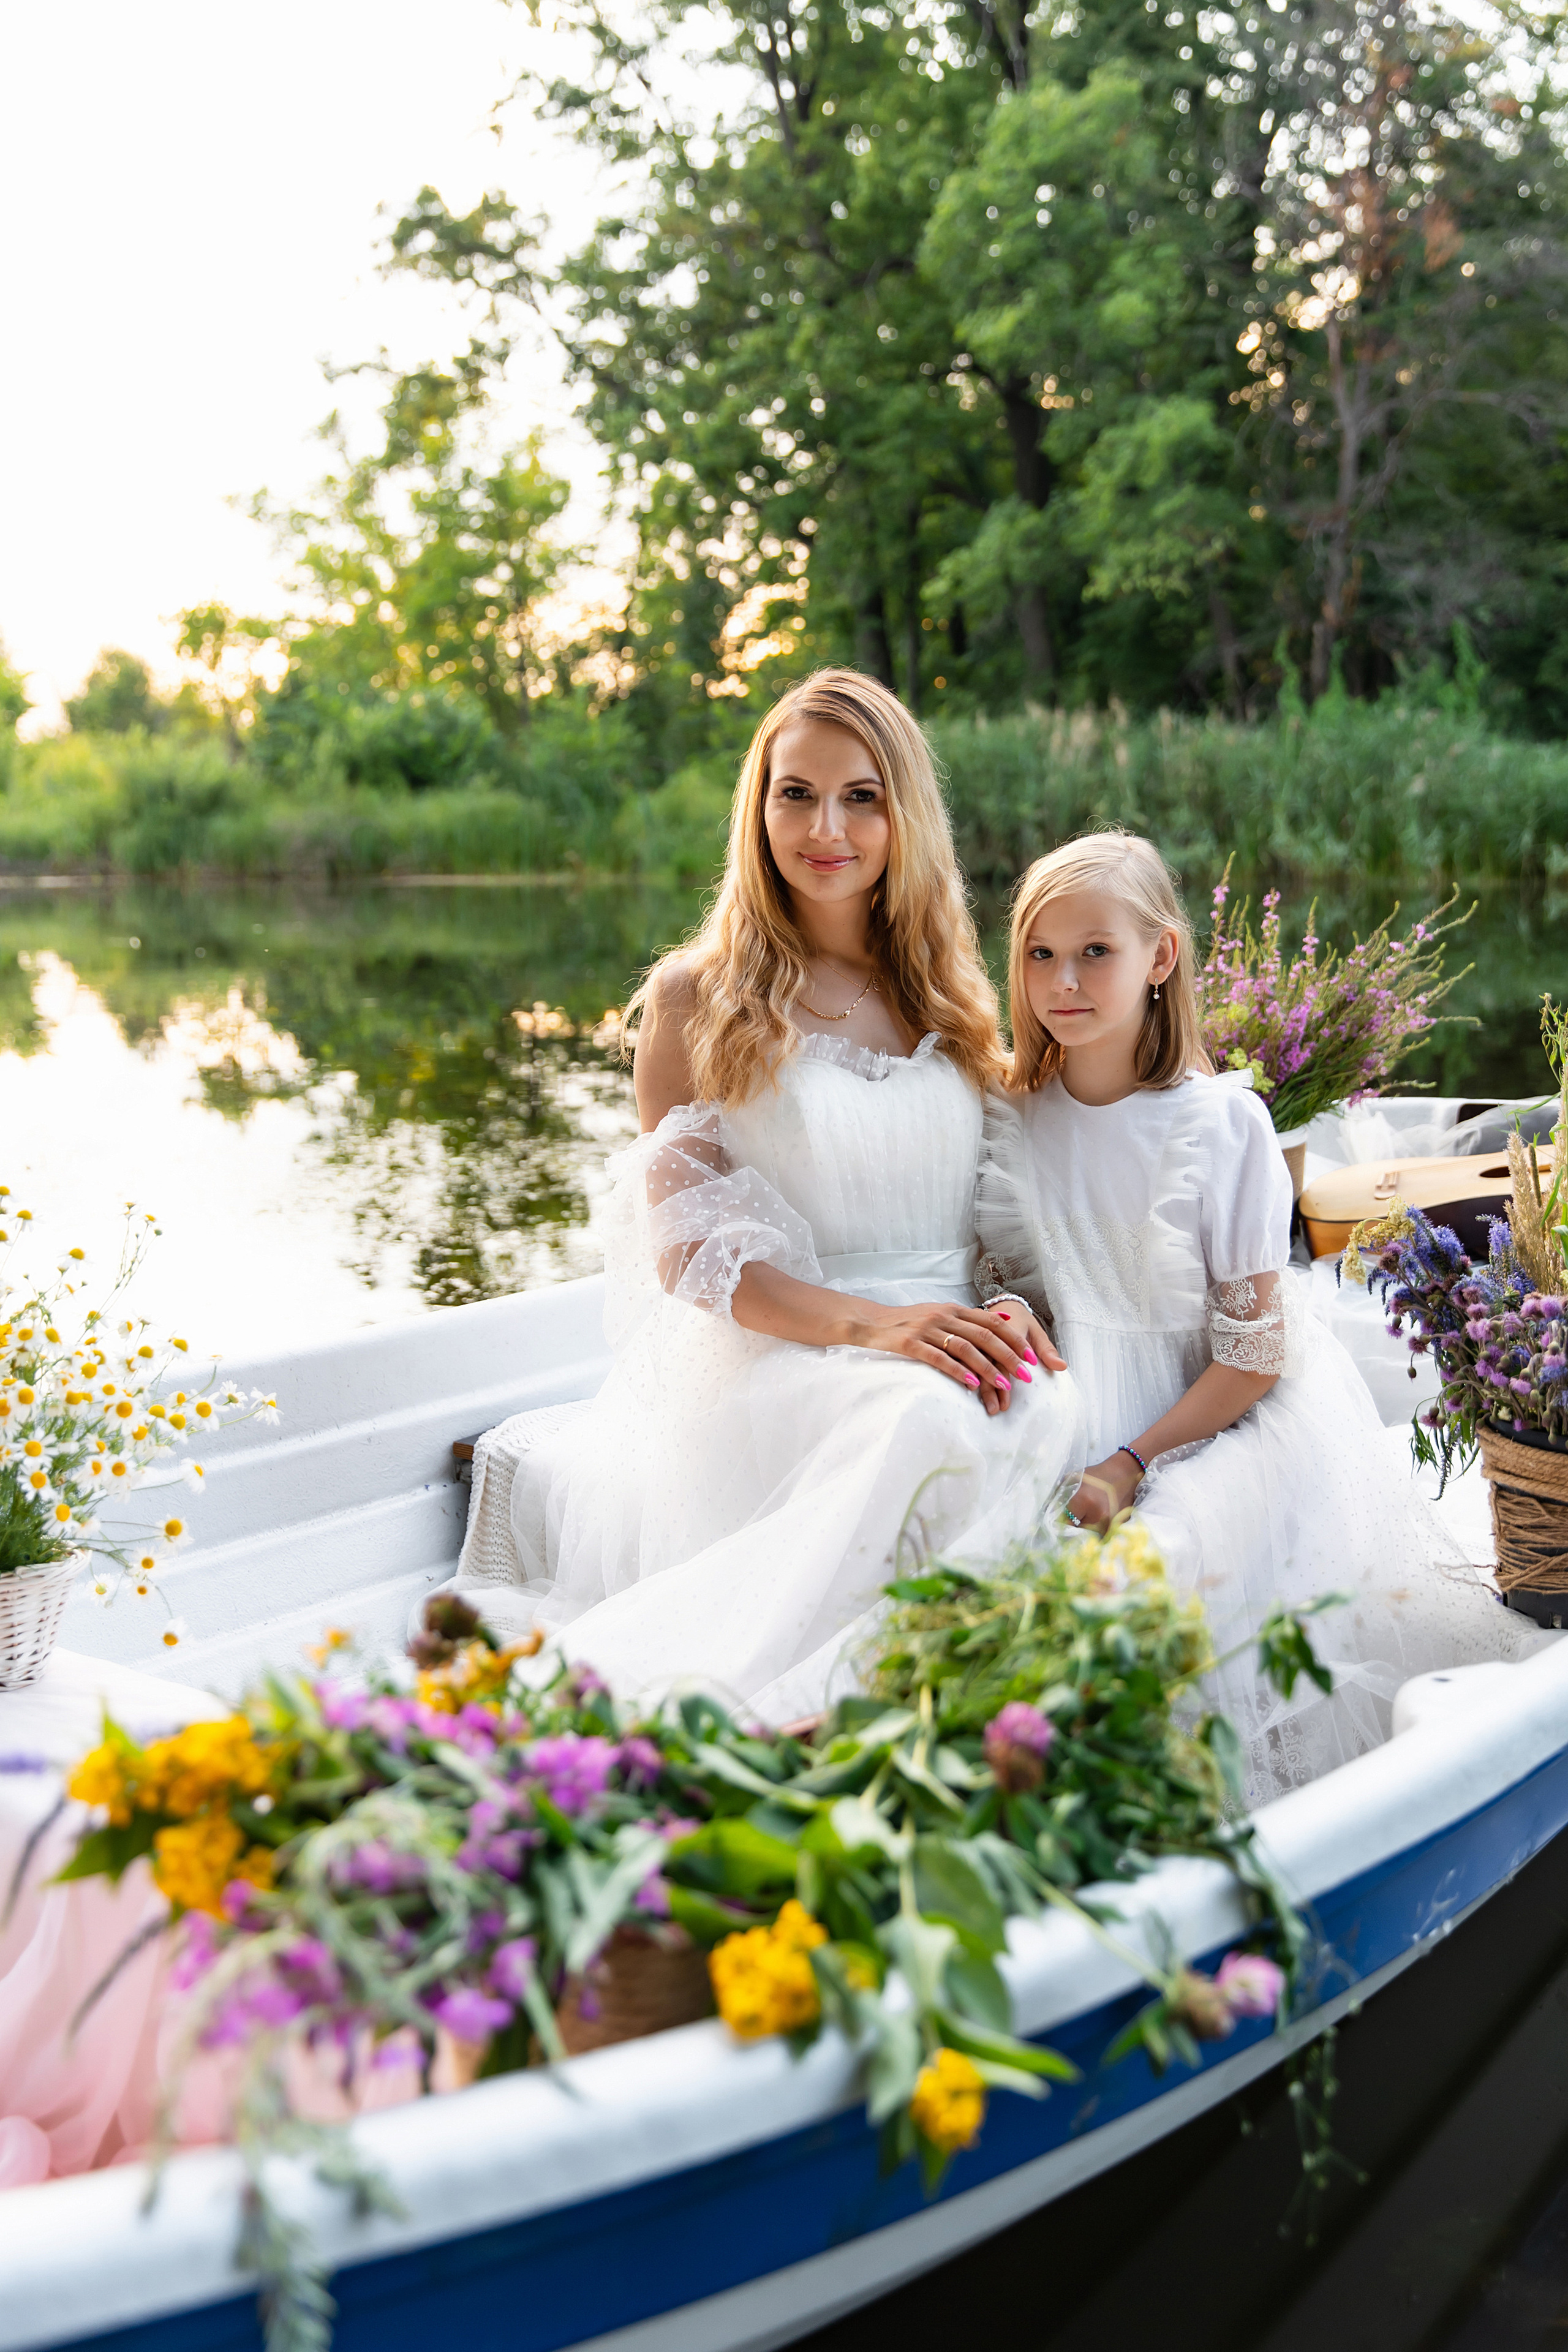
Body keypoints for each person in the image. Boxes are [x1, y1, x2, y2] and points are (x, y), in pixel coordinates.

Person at [455, 670, 1085, 1721]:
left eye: (861, 796)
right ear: (758, 809)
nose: (825, 827)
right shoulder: (695, 997)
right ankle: (806, 1713)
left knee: (1046, 1395)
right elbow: (690, 1252)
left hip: (942, 1326)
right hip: (790, 1350)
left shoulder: (952, 990)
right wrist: (879, 1327)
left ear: (903, 815)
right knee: (926, 1422)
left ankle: (978, 1695)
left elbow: (1000, 1205)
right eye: (795, 793)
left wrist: (1016, 1303)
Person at [975, 830, 1551, 1805]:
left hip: (1212, 1419)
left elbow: (1251, 1358)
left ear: (1160, 957)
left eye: (1095, 952)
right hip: (1068, 1405)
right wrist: (1006, 1319)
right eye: (1040, 954)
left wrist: (1131, 1463)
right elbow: (1017, 1285)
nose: (1062, 981)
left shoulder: (1219, 1126)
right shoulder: (1011, 1110)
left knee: (1153, 1570)